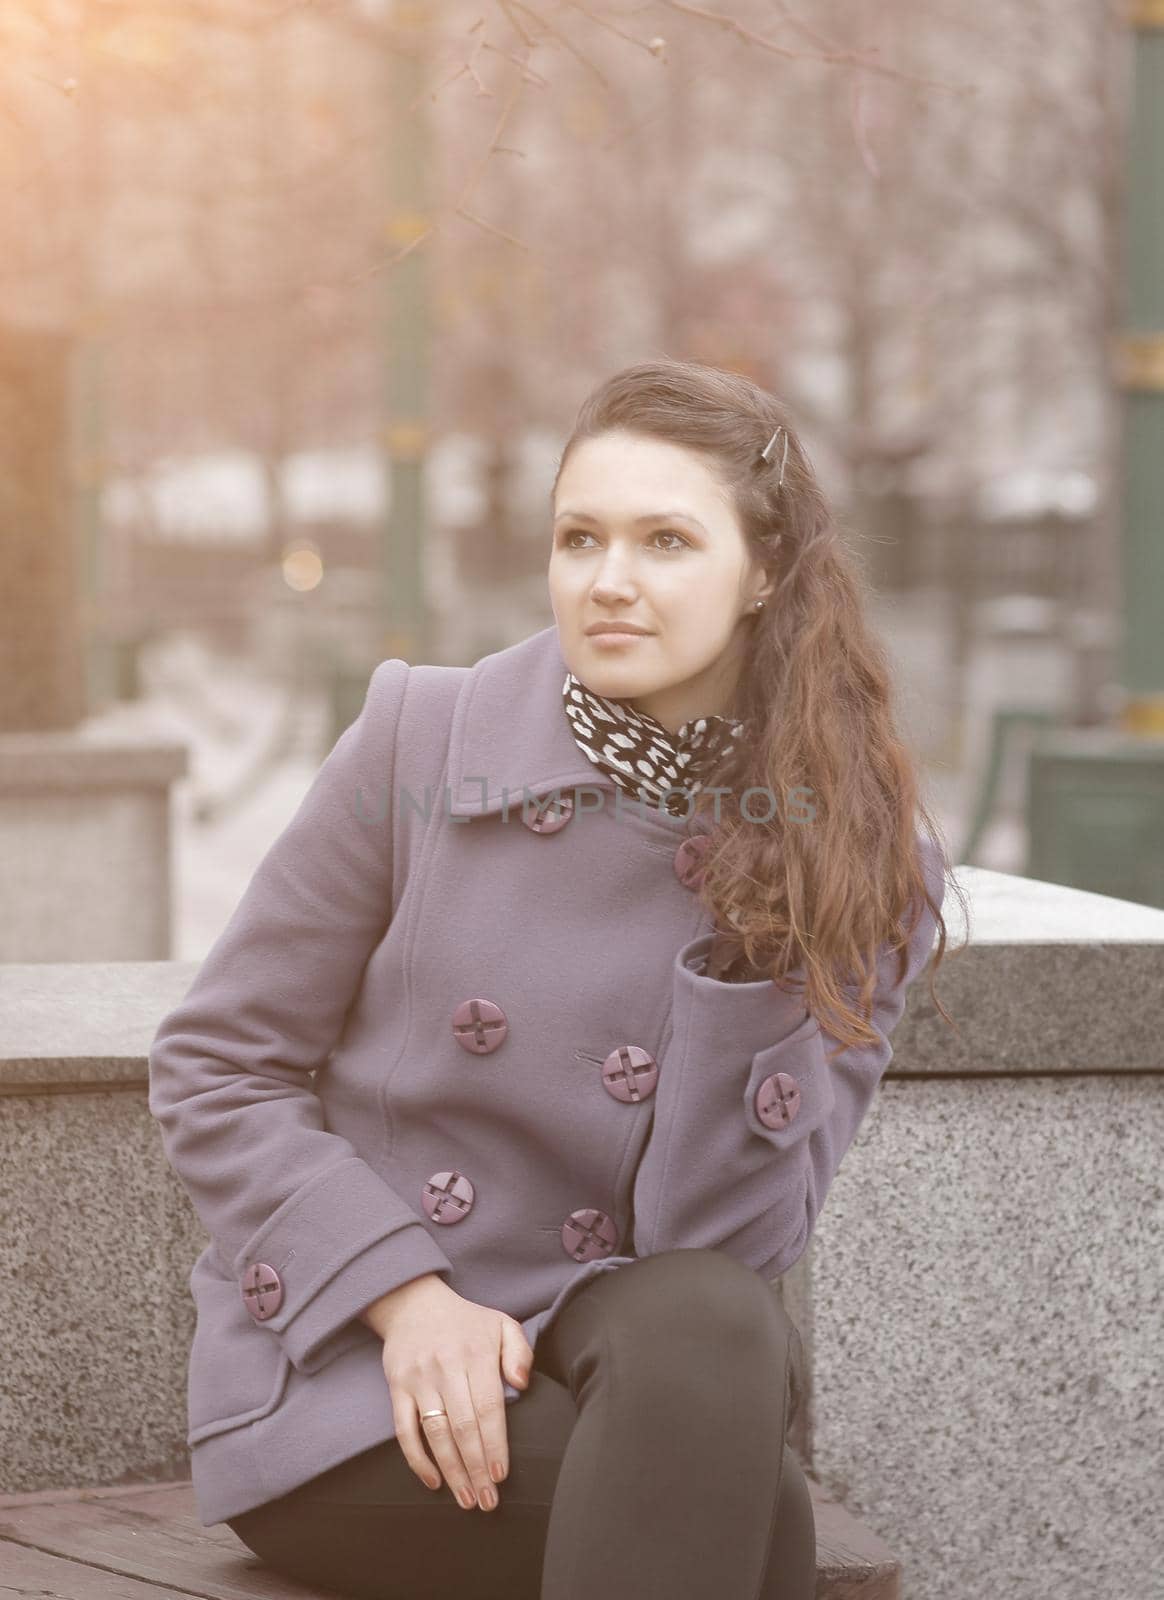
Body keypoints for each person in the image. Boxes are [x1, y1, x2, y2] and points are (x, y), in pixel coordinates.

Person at [148, 357, 961, 1600]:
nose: (609, 581)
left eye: (666, 540)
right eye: (579, 536)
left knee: (714, 1329)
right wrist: (406, 1297)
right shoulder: (423, 741)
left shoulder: (850, 851)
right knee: (761, 1517)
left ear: (764, 575)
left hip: (630, 1352)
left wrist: (754, 944)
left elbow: (732, 1249)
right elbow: (218, 1065)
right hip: (361, 1373)